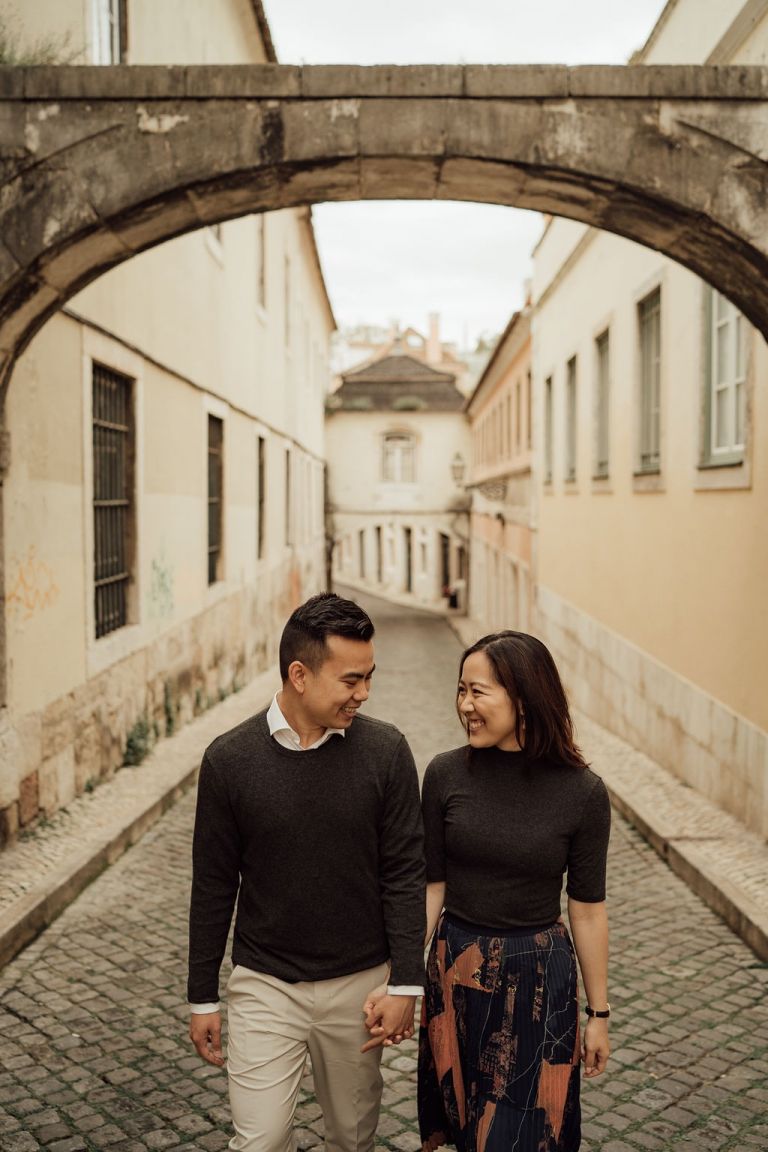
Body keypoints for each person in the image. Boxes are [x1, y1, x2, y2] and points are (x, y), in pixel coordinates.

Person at [188, 592, 426, 1152]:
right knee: (260, 1142)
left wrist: (405, 985)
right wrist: (202, 997)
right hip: (265, 985)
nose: (363, 693)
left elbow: (404, 872)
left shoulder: (386, 751)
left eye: (369, 677)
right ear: (300, 674)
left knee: (352, 1137)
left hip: (360, 986)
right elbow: (213, 885)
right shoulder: (229, 760)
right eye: (350, 680)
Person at [366, 630, 611, 1152]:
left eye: (478, 692)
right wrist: (402, 976)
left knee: (522, 1134)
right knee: (466, 1127)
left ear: (523, 698)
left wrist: (600, 1015)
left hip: (540, 981)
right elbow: (431, 885)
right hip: (456, 971)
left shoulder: (582, 792)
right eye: (461, 691)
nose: (465, 705)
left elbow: (587, 911)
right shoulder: (445, 774)